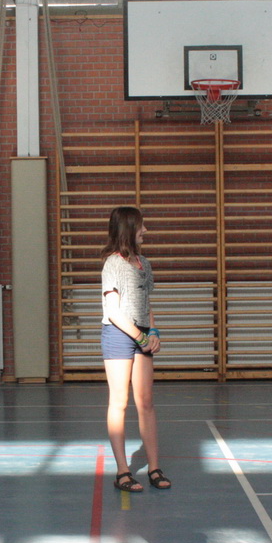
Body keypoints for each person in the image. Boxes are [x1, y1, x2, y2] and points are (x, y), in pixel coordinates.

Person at [100, 206, 170, 492]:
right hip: (119, 334)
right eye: (141, 225)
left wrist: (153, 331)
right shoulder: (112, 264)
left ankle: (154, 467)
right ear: (128, 228)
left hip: (141, 334)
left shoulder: (144, 264)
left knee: (146, 402)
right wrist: (140, 338)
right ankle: (122, 471)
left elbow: (146, 304)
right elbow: (114, 311)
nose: (145, 230)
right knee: (120, 402)